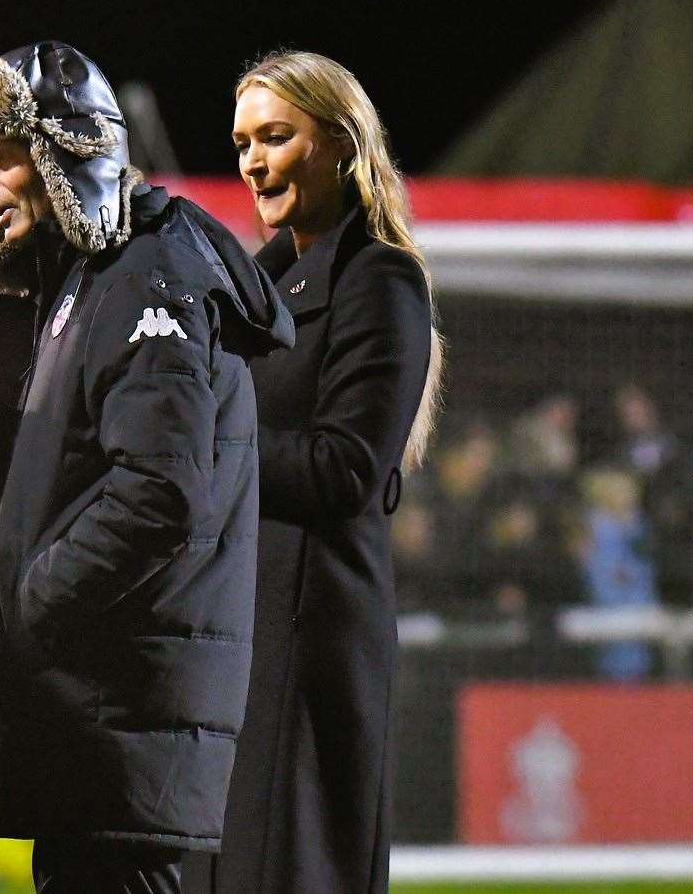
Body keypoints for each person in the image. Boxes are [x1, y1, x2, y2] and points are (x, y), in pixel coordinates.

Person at [0, 42, 293, 892]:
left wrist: (35, 598)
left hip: (119, 715)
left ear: (64, 146)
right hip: (101, 721)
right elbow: (93, 480)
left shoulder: (143, 274)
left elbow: (159, 492)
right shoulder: (93, 277)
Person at [188, 51, 441, 894]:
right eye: (241, 143)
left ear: (339, 143)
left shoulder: (380, 279)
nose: (253, 162)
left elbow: (344, 471)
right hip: (235, 628)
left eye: (275, 137)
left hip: (309, 635)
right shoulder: (251, 286)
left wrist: (204, 441)